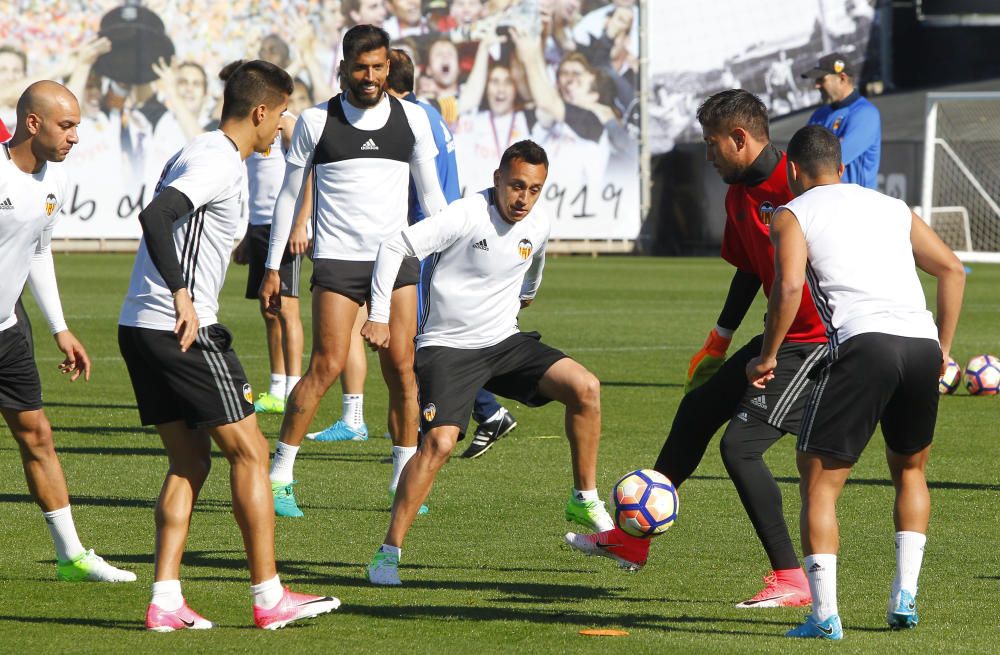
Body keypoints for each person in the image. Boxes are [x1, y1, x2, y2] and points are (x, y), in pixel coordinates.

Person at [565, 90, 828, 609]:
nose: (707, 157)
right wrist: (720, 339)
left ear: (739, 139)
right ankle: (631, 541)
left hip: (818, 342)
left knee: (740, 448)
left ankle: (791, 577)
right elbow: (750, 270)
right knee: (697, 408)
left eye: (712, 145)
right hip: (782, 334)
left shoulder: (798, 186)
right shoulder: (738, 196)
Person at [117, 60, 340, 631]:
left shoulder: (202, 150)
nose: (284, 124)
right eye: (283, 112)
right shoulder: (218, 160)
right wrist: (184, 294)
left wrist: (236, 257)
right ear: (260, 111)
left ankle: (165, 600)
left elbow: (191, 226)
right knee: (253, 454)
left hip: (138, 327)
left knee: (189, 461)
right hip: (181, 329)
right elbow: (158, 214)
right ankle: (269, 597)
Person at [362, 140, 615, 586]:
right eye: (517, 186)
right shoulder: (465, 214)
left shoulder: (537, 222)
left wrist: (528, 292)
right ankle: (387, 554)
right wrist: (380, 316)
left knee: (586, 388)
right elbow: (392, 246)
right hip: (446, 348)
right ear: (497, 179)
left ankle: (584, 497)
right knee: (439, 444)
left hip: (504, 342)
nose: (524, 199)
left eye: (535, 189)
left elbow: (535, 261)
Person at [747, 124, 965, 639]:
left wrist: (768, 354)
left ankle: (825, 617)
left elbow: (791, 286)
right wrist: (944, 350)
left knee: (818, 480)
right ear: (842, 168)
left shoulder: (792, 213)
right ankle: (904, 597)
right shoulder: (891, 205)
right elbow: (952, 269)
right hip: (919, 344)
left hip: (865, 344)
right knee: (910, 470)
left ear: (795, 171)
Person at [261, 25, 448, 518]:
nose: (370, 77)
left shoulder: (413, 119)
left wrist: (449, 249)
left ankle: (400, 483)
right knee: (325, 366)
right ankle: (279, 475)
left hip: (399, 258)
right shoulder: (316, 121)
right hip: (339, 261)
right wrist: (274, 264)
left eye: (379, 67)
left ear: (390, 67)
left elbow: (432, 198)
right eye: (360, 67)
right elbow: (287, 195)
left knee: (403, 371)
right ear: (342, 67)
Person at [0, 81, 135, 583]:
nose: (75, 136)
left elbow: (37, 252)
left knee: (37, 436)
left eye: (76, 125)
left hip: (9, 331)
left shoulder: (52, 184)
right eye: (67, 125)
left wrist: (61, 328)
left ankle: (72, 556)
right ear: (32, 124)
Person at [227, 59, 306, 416]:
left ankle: (293, 387)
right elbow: (251, 185)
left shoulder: (286, 128)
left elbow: (308, 178)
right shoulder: (245, 132)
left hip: (284, 228)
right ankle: (276, 386)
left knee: (287, 307)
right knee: (268, 308)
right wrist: (245, 233)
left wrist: (300, 224)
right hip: (258, 227)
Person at [801, 53, 880, 189]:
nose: (817, 86)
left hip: (856, 205)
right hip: (823, 201)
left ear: (842, 78)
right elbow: (802, 156)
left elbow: (829, 163)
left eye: (821, 79)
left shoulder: (865, 113)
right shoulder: (819, 114)